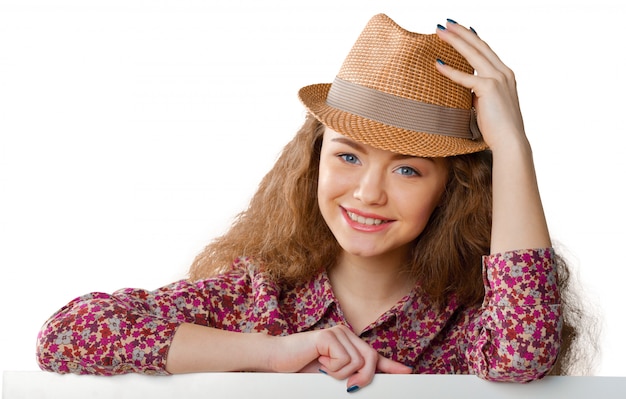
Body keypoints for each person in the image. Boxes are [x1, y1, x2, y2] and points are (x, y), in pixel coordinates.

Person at [36, 14, 579, 393]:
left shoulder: (469, 323)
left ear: (452, 191)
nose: (368, 192)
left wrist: (511, 146)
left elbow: (522, 353)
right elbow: (68, 335)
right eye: (348, 157)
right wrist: (272, 354)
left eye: (408, 168)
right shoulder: (254, 301)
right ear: (314, 160)